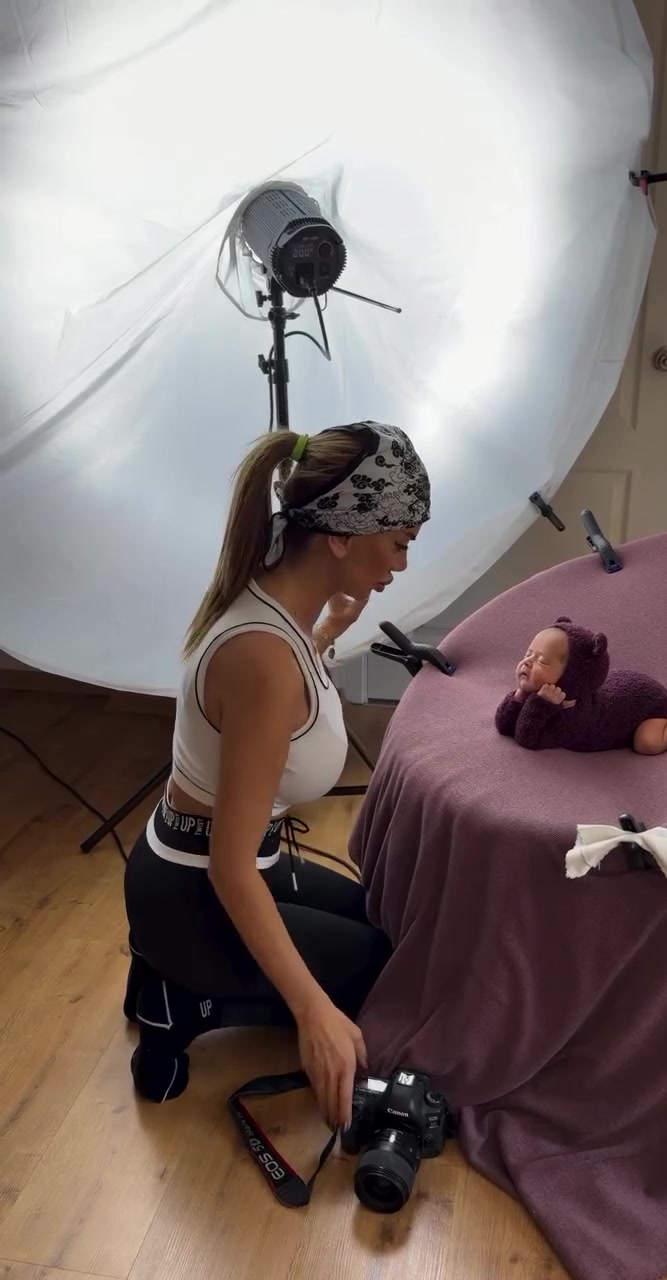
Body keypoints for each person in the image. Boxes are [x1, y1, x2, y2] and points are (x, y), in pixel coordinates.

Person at [123, 420, 431, 1128]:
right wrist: (313, 1013)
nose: (402, 564)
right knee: (375, 972)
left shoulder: (274, 609)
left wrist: (324, 634)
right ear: (341, 536)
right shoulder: (262, 658)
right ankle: (179, 1000)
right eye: (399, 542)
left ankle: (180, 969)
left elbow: (269, 720)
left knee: (382, 924)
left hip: (207, 857)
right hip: (195, 891)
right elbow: (229, 869)